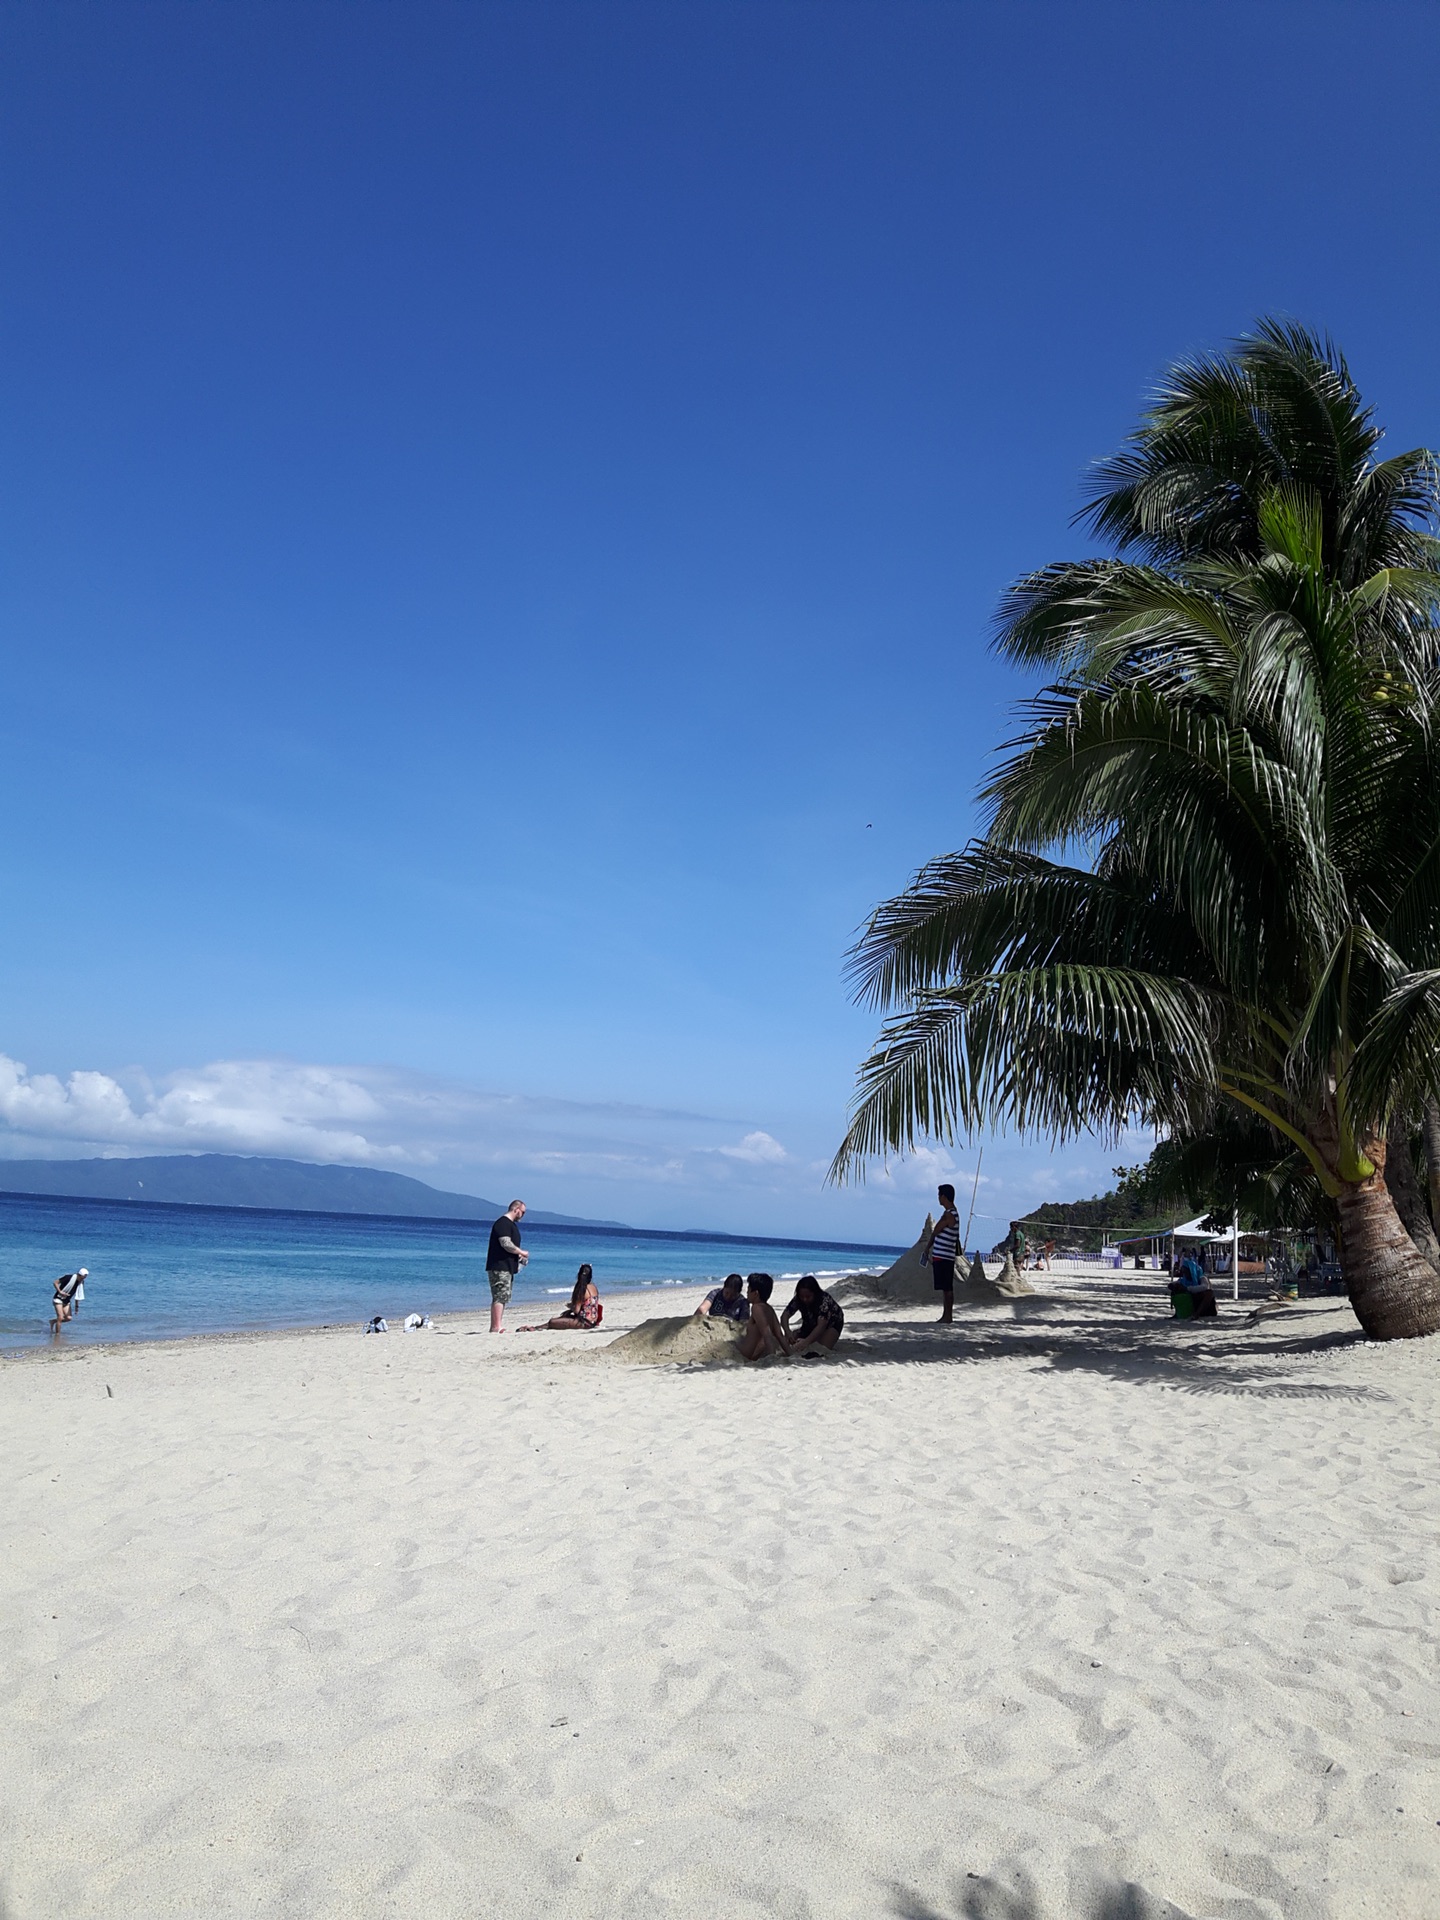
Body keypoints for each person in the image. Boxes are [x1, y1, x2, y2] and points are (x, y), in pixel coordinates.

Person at [485, 1200, 528, 1333]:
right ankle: (496, 1326)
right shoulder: (502, 1223)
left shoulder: (511, 1225)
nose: (523, 1215)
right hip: (499, 1266)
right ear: (516, 1209)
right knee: (499, 1295)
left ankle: (497, 1325)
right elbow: (506, 1243)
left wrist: (519, 1257)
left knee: (503, 1296)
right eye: (523, 1212)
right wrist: (521, 1251)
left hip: (508, 1266)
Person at [519, 1264, 602, 1332]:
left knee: (553, 1322)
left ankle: (534, 1328)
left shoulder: (581, 1290)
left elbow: (577, 1310)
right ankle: (535, 1327)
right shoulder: (593, 1287)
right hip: (593, 1320)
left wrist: (570, 1306)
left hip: (584, 1322)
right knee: (559, 1320)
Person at [781, 1274, 845, 1356]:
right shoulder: (798, 1299)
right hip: (810, 1323)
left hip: (831, 1324)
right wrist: (787, 1331)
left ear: (815, 1293)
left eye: (808, 1296)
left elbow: (821, 1325)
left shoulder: (824, 1300)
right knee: (790, 1340)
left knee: (820, 1348)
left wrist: (806, 1342)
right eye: (802, 1296)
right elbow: (784, 1316)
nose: (804, 1299)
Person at [923, 1183, 961, 1323]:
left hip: (945, 1256)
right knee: (946, 1287)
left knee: (947, 1287)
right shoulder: (951, 1213)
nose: (938, 1198)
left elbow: (936, 1230)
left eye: (939, 1195)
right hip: (945, 1255)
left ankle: (948, 1316)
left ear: (944, 1197)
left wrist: (927, 1248)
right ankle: (946, 1315)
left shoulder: (949, 1215)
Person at [737, 1273, 788, 1360]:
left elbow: (767, 1334)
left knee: (731, 1344)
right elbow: (779, 1335)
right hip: (756, 1354)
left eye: (749, 1289)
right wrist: (791, 1353)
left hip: (746, 1355)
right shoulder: (769, 1309)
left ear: (756, 1293)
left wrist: (772, 1357)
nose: (747, 1292)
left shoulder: (756, 1308)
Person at [1170, 1248, 1217, 1319]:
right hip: (1192, 1303)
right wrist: (1173, 1285)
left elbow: (1204, 1287)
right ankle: (1177, 1313)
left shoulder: (1202, 1277)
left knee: (1209, 1293)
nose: (1185, 1273)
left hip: (1205, 1307)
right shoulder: (1184, 1279)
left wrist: (1187, 1289)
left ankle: (1196, 1314)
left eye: (1186, 1271)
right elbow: (1176, 1283)